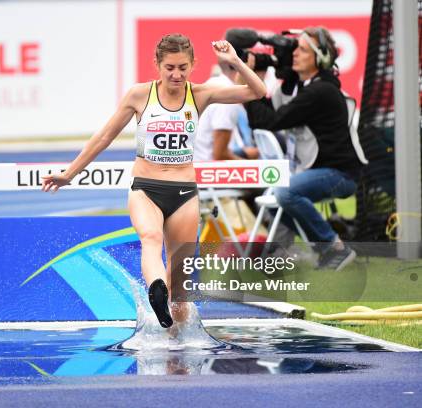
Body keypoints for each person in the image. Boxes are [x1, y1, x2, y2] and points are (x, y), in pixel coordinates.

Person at [42, 33, 266, 328]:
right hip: (146, 188)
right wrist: (69, 173)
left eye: (183, 67)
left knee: (181, 287)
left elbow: (258, 92)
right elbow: (105, 136)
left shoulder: (200, 94)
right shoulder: (139, 95)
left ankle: (177, 341)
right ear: (157, 65)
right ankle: (156, 289)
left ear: (193, 65)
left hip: (184, 193)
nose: (176, 74)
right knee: (150, 238)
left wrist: (234, 60)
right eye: (170, 67)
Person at [244, 26, 365, 271]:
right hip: (323, 171)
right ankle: (326, 250)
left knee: (285, 193)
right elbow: (271, 109)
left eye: (301, 49)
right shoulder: (310, 87)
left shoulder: (319, 91)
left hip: (339, 175)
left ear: (320, 57)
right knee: (277, 199)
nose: (294, 54)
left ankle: (335, 246)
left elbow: (269, 120)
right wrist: (254, 73)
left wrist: (245, 81)